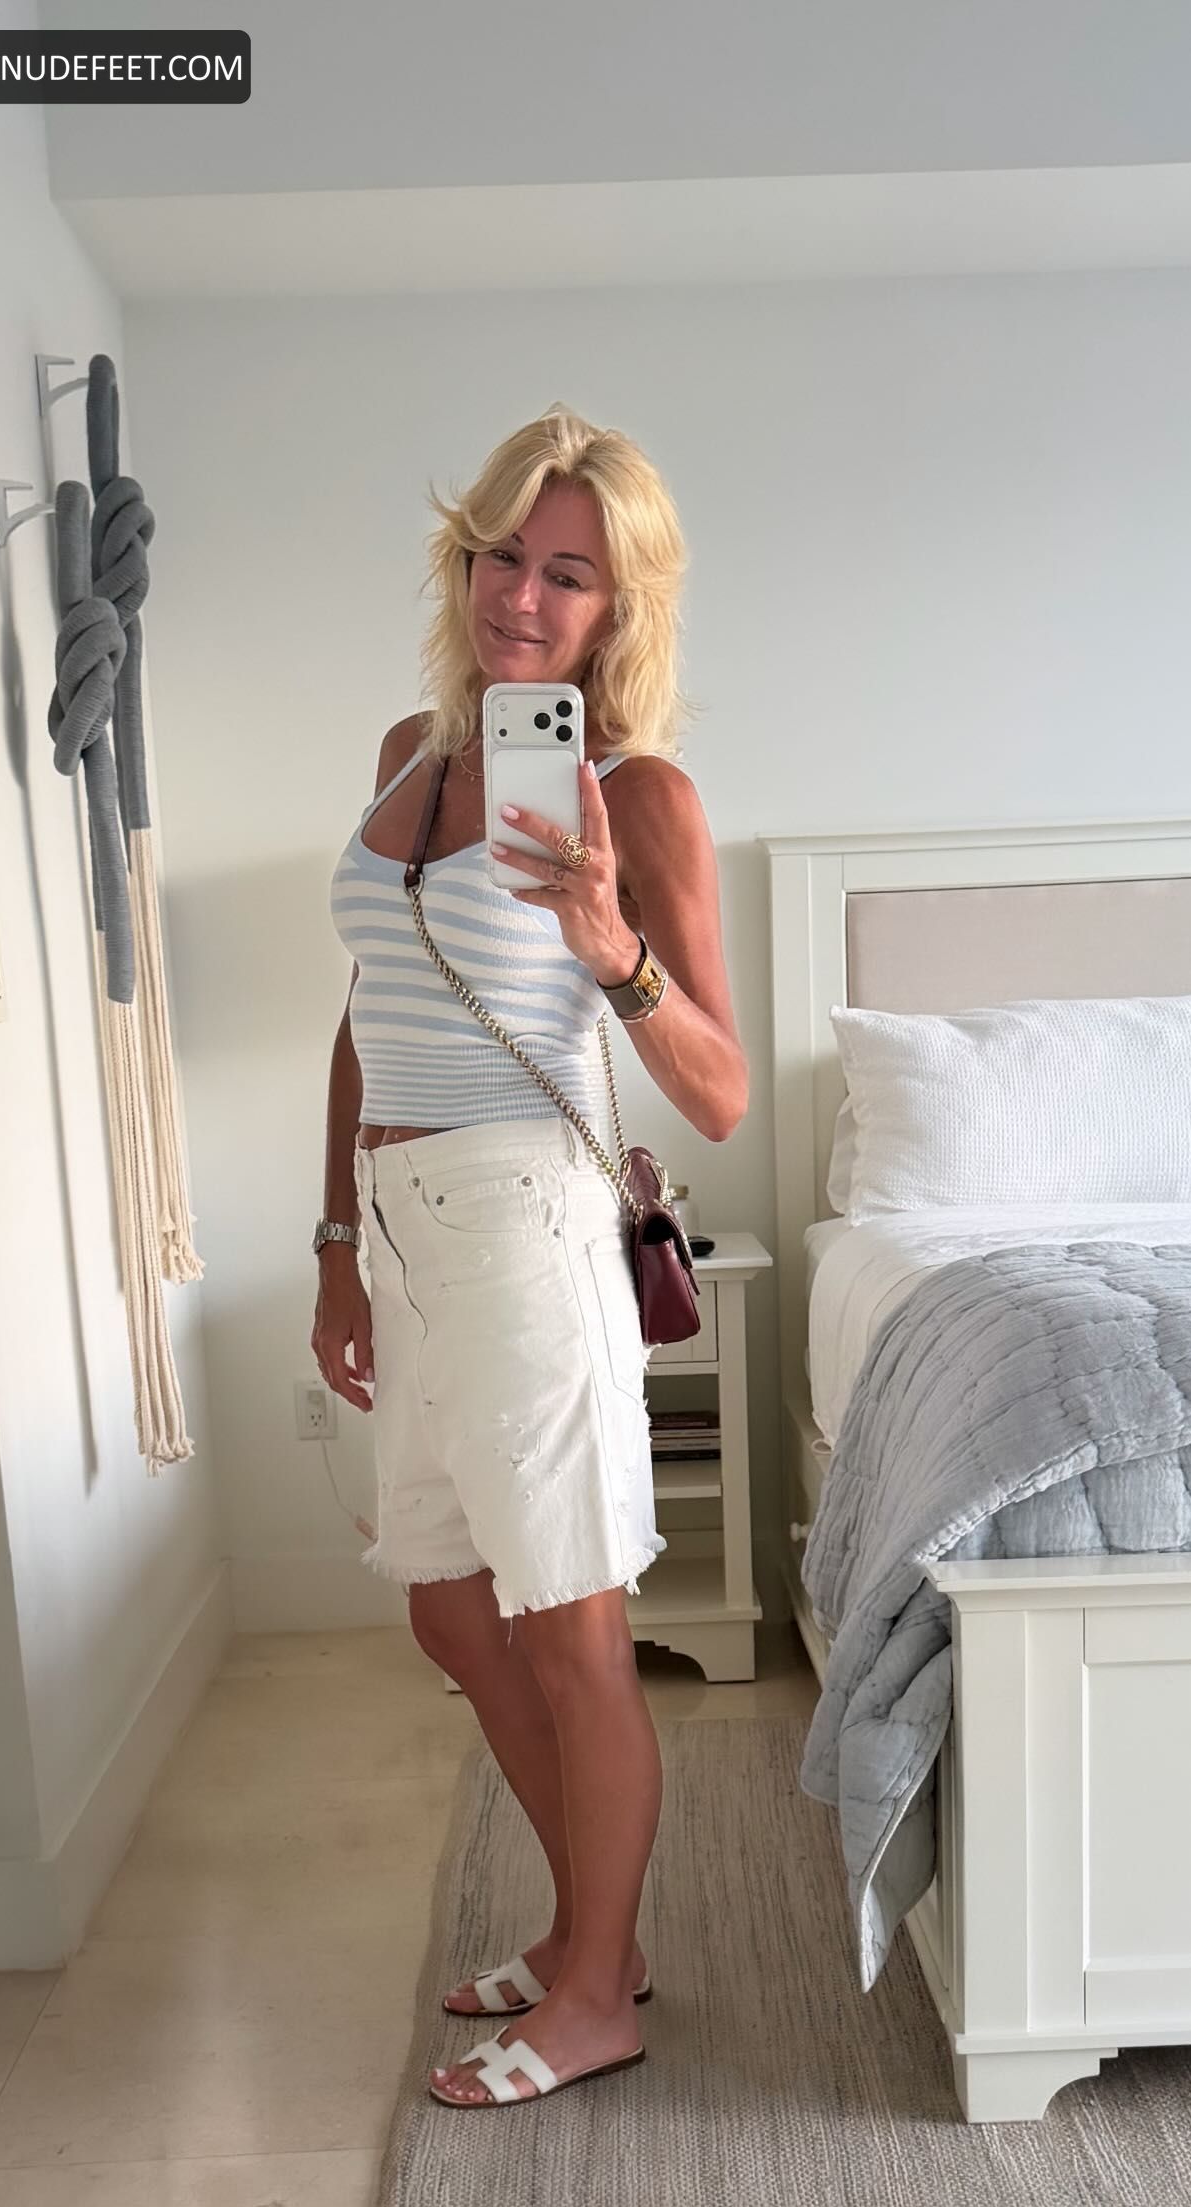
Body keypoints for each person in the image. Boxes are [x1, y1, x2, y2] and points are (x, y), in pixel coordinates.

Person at [314, 404, 747, 2109]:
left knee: (573, 1631)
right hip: (403, 1228)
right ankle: (593, 1937)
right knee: (448, 1604)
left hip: (525, 1225)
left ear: (617, 607)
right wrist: (335, 1244)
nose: (523, 596)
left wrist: (609, 943)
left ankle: (594, 1996)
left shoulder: (639, 793)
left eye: (569, 574)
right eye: (504, 554)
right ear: (464, 561)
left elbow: (716, 1089)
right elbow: (366, 1012)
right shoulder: (407, 755)